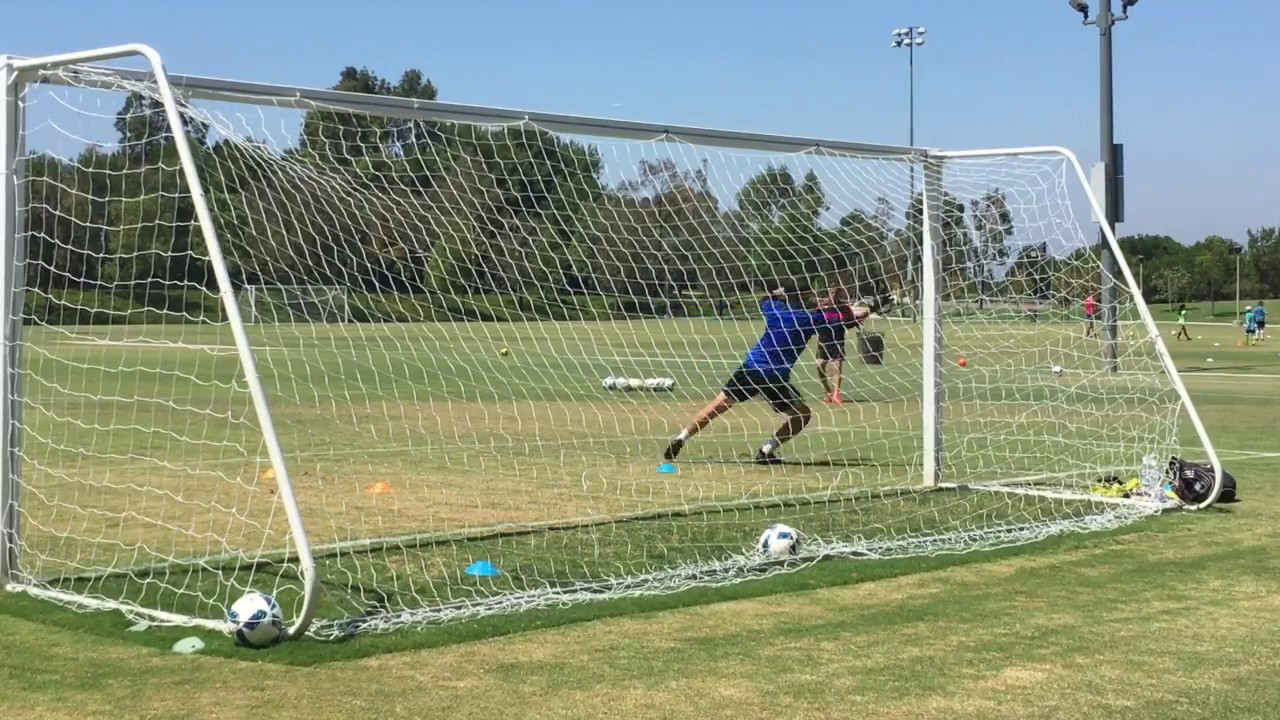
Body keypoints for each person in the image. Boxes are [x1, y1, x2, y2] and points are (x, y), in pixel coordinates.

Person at [662, 279, 869, 465]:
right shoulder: (810, 319)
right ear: (805, 297)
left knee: (718, 405)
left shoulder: (775, 310)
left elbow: (766, 299)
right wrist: (866, 311)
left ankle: (682, 437)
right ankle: (766, 450)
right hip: (774, 377)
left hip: (751, 367)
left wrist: (778, 294)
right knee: (802, 415)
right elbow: (842, 322)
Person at [815, 285, 851, 404]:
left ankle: (837, 393)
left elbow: (850, 322)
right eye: (832, 292)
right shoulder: (822, 307)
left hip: (838, 340)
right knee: (819, 366)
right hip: (823, 340)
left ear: (840, 294)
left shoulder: (844, 308)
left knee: (837, 366)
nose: (834, 294)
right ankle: (827, 391)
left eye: (837, 292)